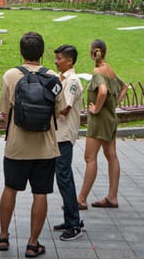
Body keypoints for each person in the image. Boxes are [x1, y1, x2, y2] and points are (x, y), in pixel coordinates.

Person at [0, 31, 64, 258]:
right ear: (42, 53)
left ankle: (4, 237)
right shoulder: (53, 76)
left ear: (21, 52)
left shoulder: (10, 76)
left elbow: (5, 113)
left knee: (10, 189)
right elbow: (58, 111)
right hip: (45, 148)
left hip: (16, 146)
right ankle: (33, 244)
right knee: (41, 193)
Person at [77, 39, 129, 210]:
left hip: (99, 121)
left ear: (93, 53)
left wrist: (97, 109)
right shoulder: (110, 70)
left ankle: (81, 199)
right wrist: (113, 106)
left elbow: (103, 91)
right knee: (111, 155)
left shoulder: (98, 72)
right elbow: (125, 87)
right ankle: (112, 197)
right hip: (111, 119)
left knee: (89, 158)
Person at [52, 44, 84, 241]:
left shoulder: (72, 80)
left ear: (70, 61)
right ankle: (70, 219)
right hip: (58, 134)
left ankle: (74, 223)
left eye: (59, 59)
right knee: (64, 177)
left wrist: (46, 114)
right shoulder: (60, 78)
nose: (56, 61)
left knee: (64, 176)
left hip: (64, 135)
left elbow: (65, 107)